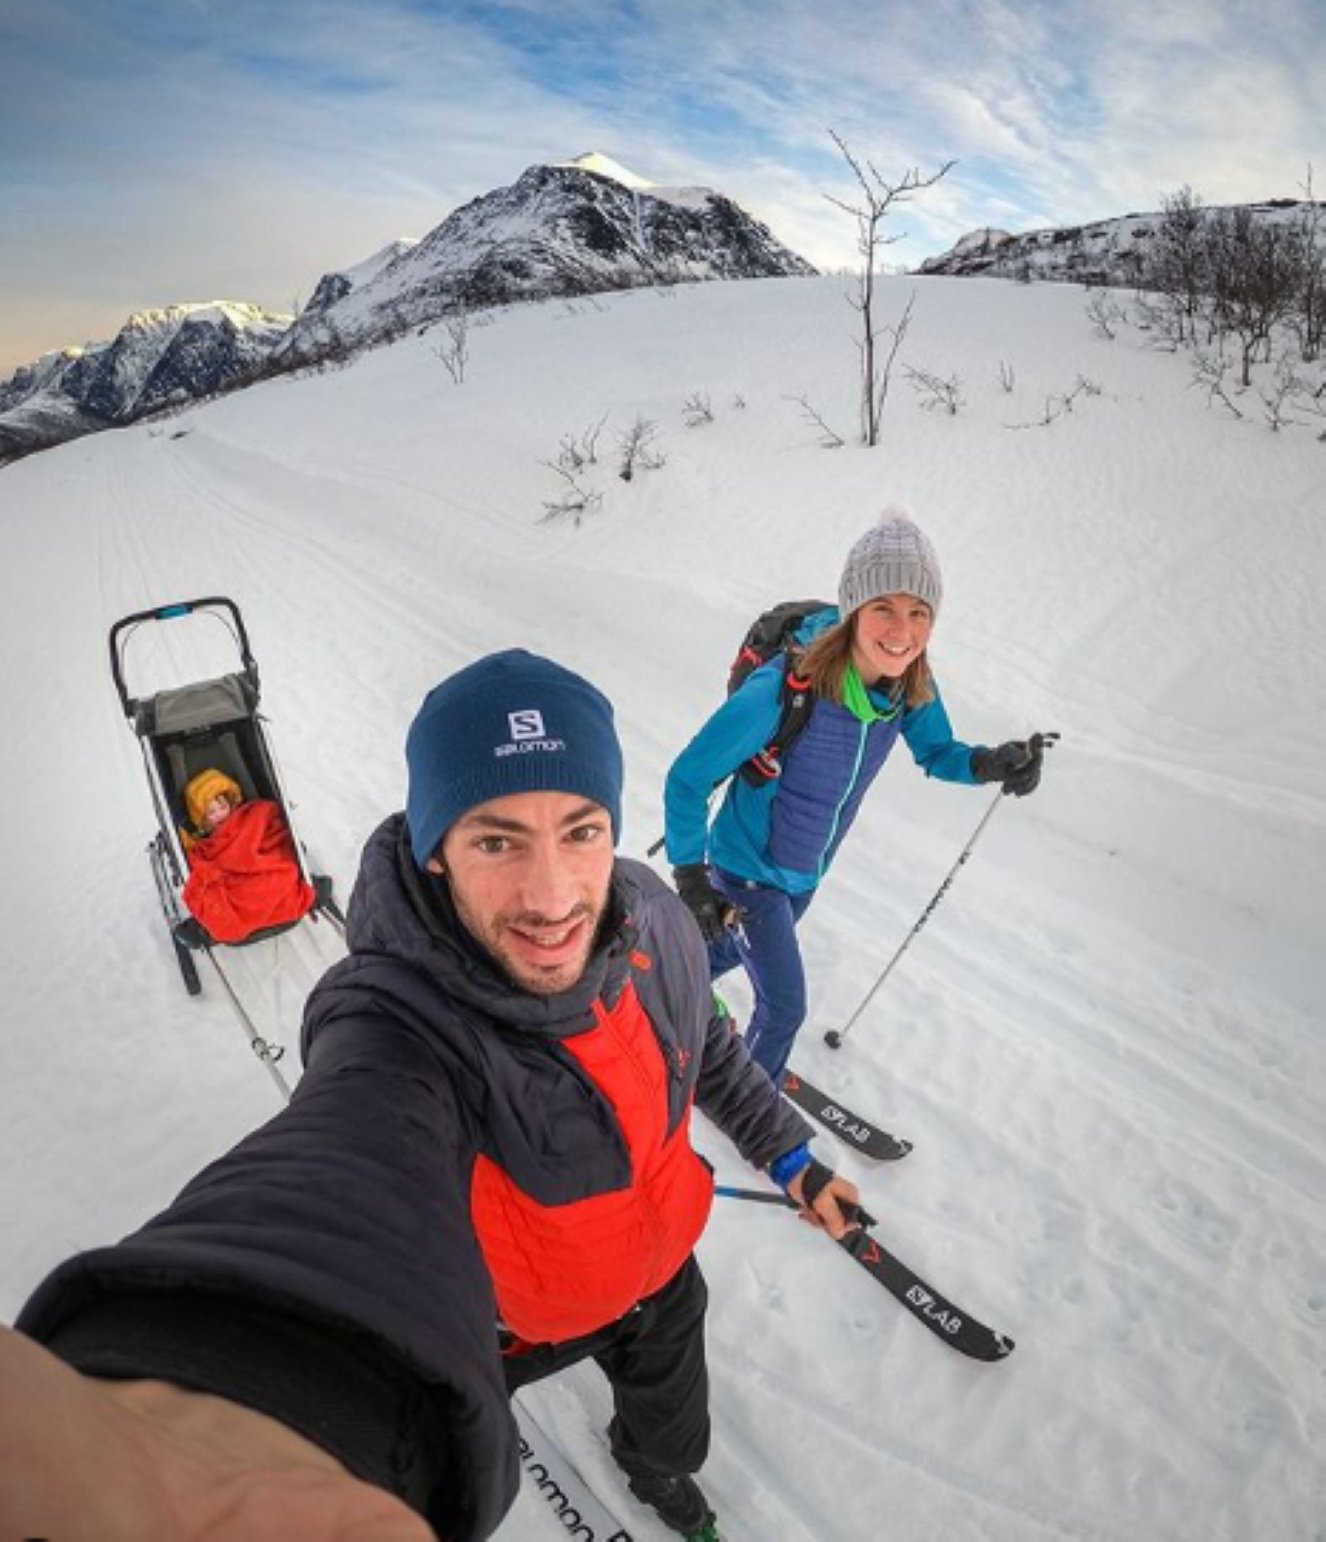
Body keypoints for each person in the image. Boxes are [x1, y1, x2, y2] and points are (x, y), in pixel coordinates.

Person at [5, 649, 860, 1542]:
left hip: (660, 1274)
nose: (553, 894)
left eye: (580, 829)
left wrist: (792, 1159)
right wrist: (213, 1405)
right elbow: (347, 1158)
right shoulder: (402, 1020)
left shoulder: (656, 916)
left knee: (672, 1418)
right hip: (514, 1324)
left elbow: (710, 1049)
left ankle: (654, 1469)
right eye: (496, 839)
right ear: (437, 851)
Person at [664, 506, 1055, 1084]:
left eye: (918, 612)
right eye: (884, 609)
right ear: (853, 610)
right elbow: (688, 777)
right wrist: (692, 877)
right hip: (746, 872)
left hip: (804, 871)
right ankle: (753, 1118)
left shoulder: (908, 685)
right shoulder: (782, 691)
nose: (902, 631)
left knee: (724, 952)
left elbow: (937, 752)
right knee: (784, 1009)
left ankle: (661, 996)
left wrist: (991, 764)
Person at [177, 766, 317, 943]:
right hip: (234, 875)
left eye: (222, 806)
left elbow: (268, 819)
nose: (220, 813)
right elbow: (202, 862)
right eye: (212, 812)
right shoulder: (205, 841)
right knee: (235, 898)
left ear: (230, 803)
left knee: (282, 874)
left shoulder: (249, 815)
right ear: (203, 819)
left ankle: (274, 901)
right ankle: (227, 922)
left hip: (263, 860)